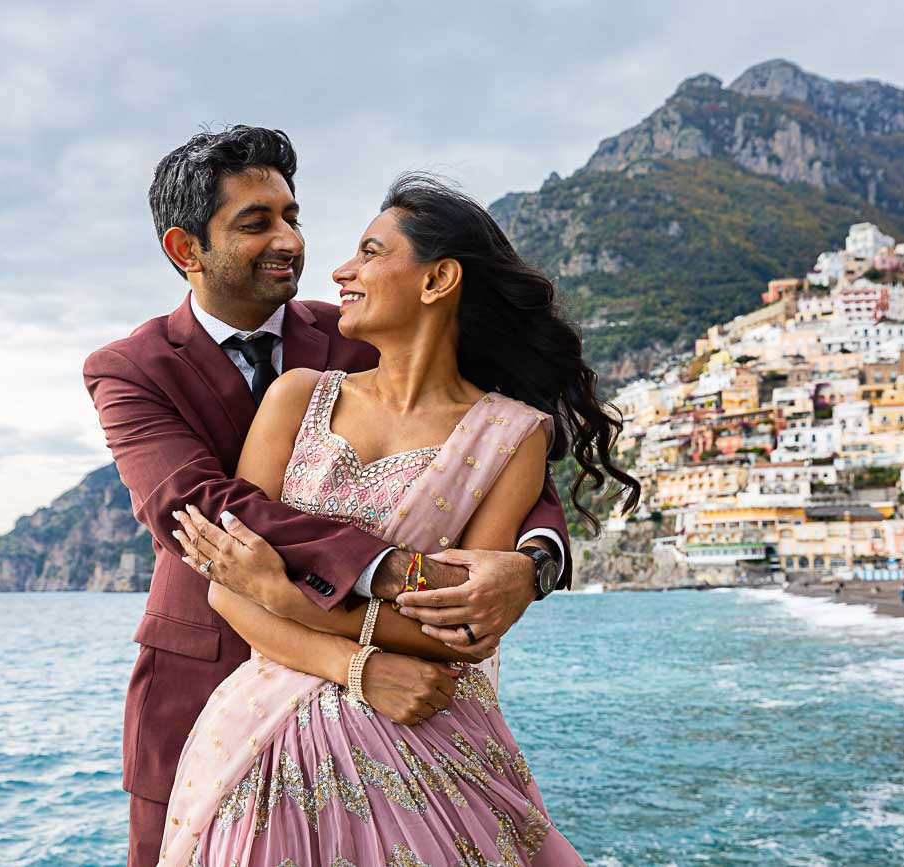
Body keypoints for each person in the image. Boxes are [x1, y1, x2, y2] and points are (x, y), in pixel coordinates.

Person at [83, 127, 576, 867]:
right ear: (186, 249)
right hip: (206, 686)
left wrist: (536, 560)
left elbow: (489, 438)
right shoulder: (131, 369)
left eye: (293, 215)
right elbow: (201, 508)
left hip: (409, 702)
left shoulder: (357, 328)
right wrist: (393, 574)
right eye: (257, 222)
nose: (290, 240)